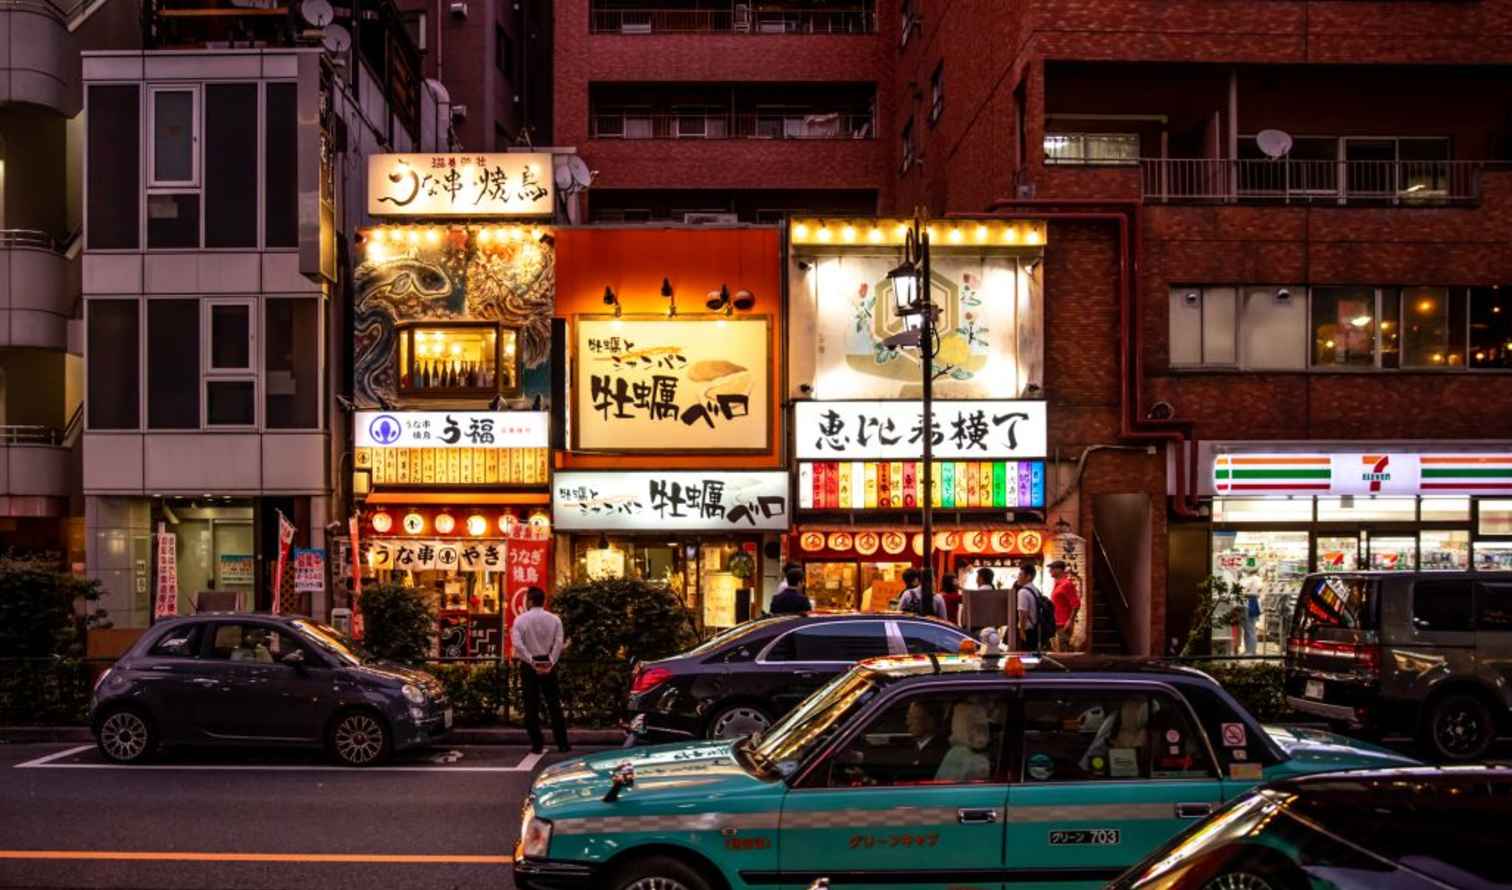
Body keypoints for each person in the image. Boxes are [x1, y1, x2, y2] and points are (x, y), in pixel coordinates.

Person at [510, 586, 569, 754]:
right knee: (554, 704)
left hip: (529, 665)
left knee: (531, 705)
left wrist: (530, 660)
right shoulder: (555, 619)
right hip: (548, 661)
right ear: (544, 601)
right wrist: (551, 661)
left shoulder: (520, 620)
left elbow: (517, 644)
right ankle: (562, 743)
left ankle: (537, 744)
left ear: (529, 601)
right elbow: (559, 642)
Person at [935, 702, 992, 782]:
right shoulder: (954, 753)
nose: (982, 733)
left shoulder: (979, 761)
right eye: (975, 727)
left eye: (982, 728)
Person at [903, 701, 950, 781]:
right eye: (908, 718)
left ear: (930, 721)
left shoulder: (942, 752)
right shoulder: (907, 747)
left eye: (913, 718)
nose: (907, 723)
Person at [1048, 560, 1082, 652]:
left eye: (1052, 568)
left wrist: (1070, 621)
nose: (1050, 570)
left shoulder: (1066, 584)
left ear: (1059, 570)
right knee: (1060, 651)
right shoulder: (1057, 584)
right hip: (1057, 624)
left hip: (1063, 625)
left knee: (1065, 653)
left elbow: (1076, 604)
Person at [1013, 564, 1044, 650]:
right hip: (1036, 629)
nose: (1018, 577)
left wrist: (1021, 630)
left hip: (1027, 631)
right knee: (1033, 656)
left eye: (1020, 575)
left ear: (1028, 577)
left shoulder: (1022, 591)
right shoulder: (1035, 590)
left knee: (1025, 657)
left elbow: (1023, 613)